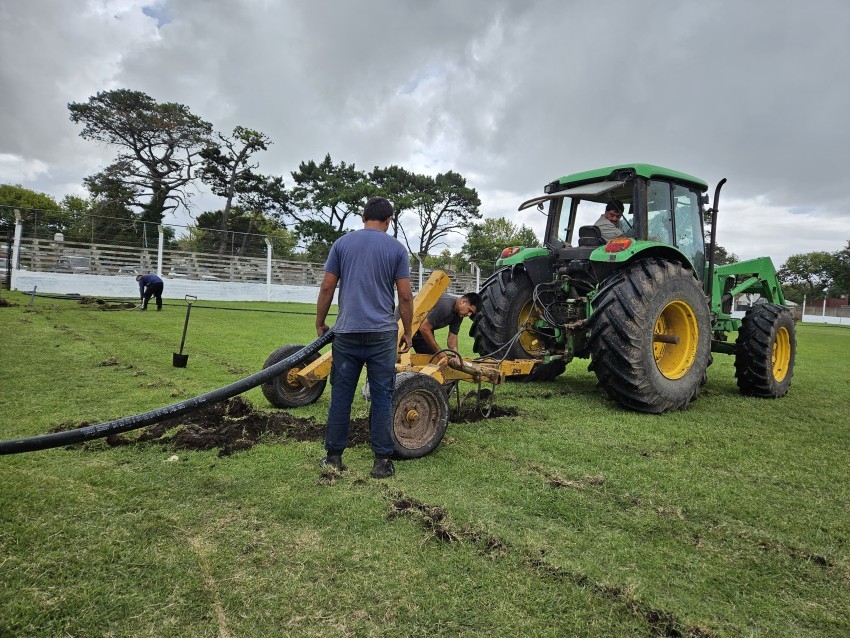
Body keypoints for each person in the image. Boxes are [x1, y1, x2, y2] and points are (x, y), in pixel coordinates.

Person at [315, 197, 413, 479]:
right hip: (382, 335)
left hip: (346, 332)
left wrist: (320, 322)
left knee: (341, 396)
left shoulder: (342, 244)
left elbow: (326, 287)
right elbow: (405, 295)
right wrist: (407, 331)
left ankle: (333, 458)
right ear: (389, 220)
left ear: (362, 216)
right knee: (382, 396)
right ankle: (382, 461)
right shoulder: (396, 248)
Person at [411, 292, 481, 360]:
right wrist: (438, 351)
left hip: (420, 333)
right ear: (463, 302)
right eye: (469, 310)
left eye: (471, 313)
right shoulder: (446, 305)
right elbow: (424, 328)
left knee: (432, 361)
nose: (469, 315)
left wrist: (455, 352)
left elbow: (452, 337)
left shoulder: (459, 314)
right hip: (406, 326)